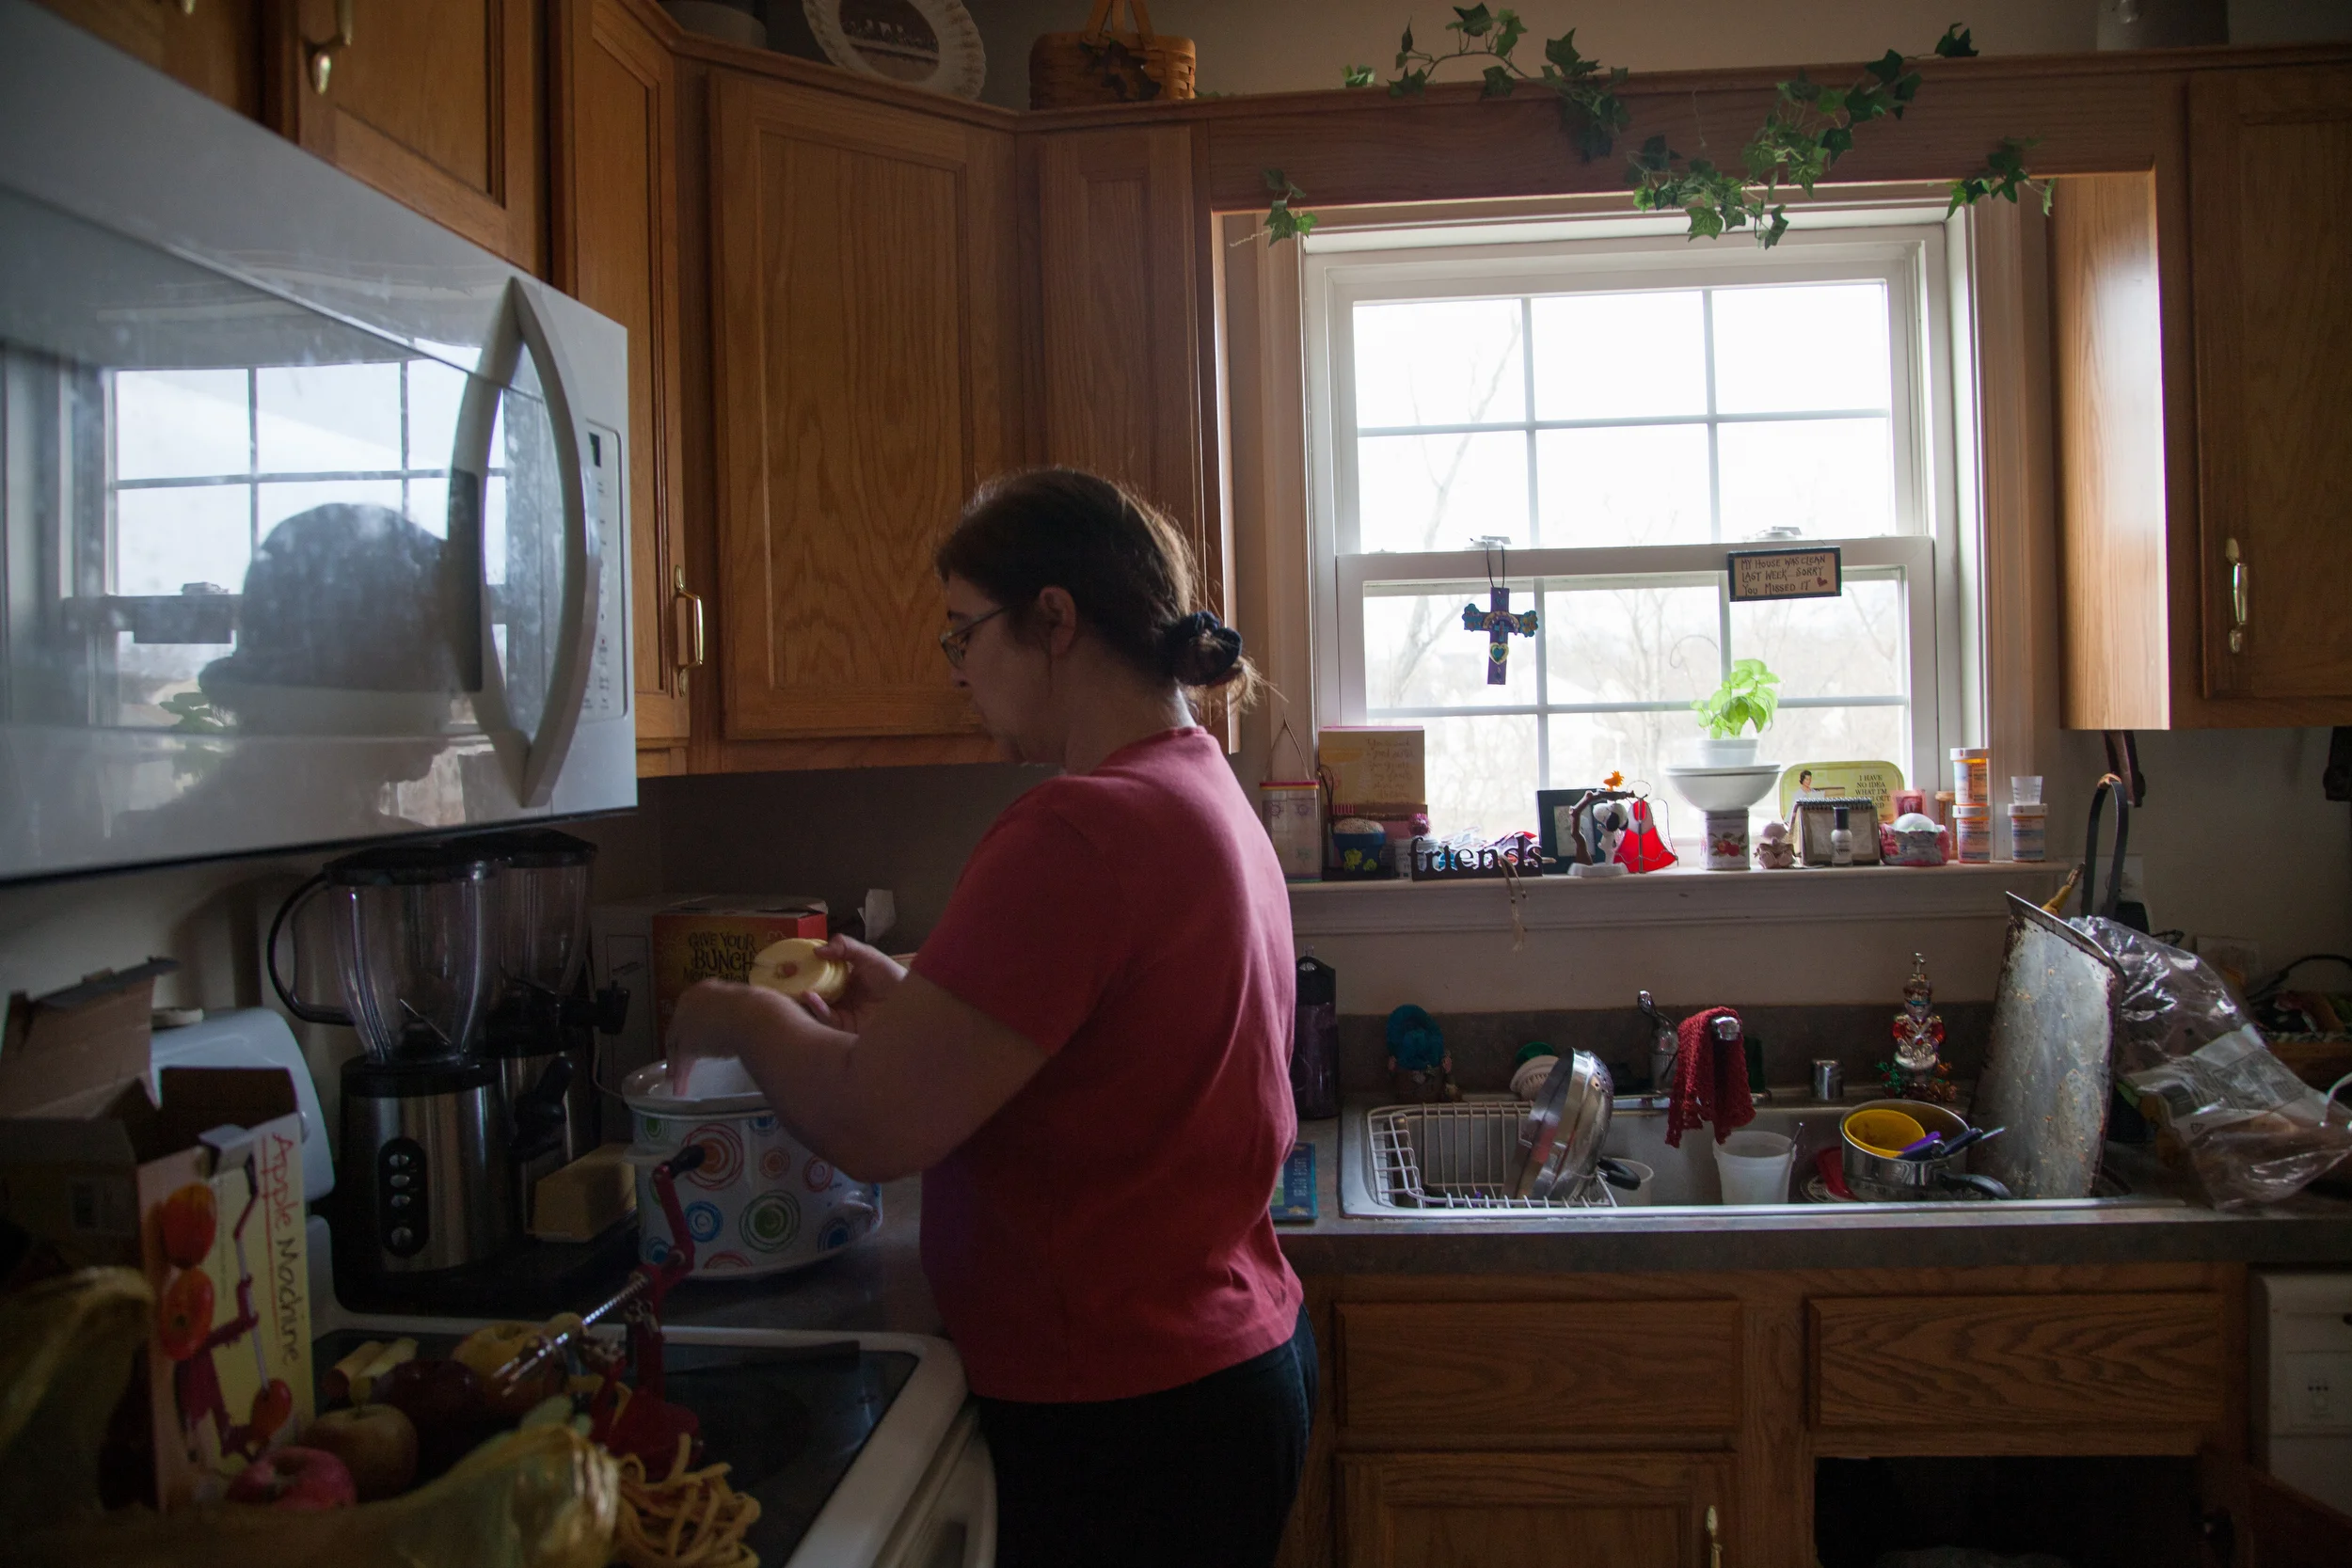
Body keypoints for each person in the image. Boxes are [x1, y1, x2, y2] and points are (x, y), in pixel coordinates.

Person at [663, 468, 1313, 1568]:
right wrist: (921, 1008)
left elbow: (872, 1123)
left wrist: (734, 1013)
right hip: (1209, 1375)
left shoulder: (1077, 827)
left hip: (1124, 1412)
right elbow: (1108, 1045)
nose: (958, 671)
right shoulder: (1198, 786)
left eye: (964, 633)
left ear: (1053, 618)